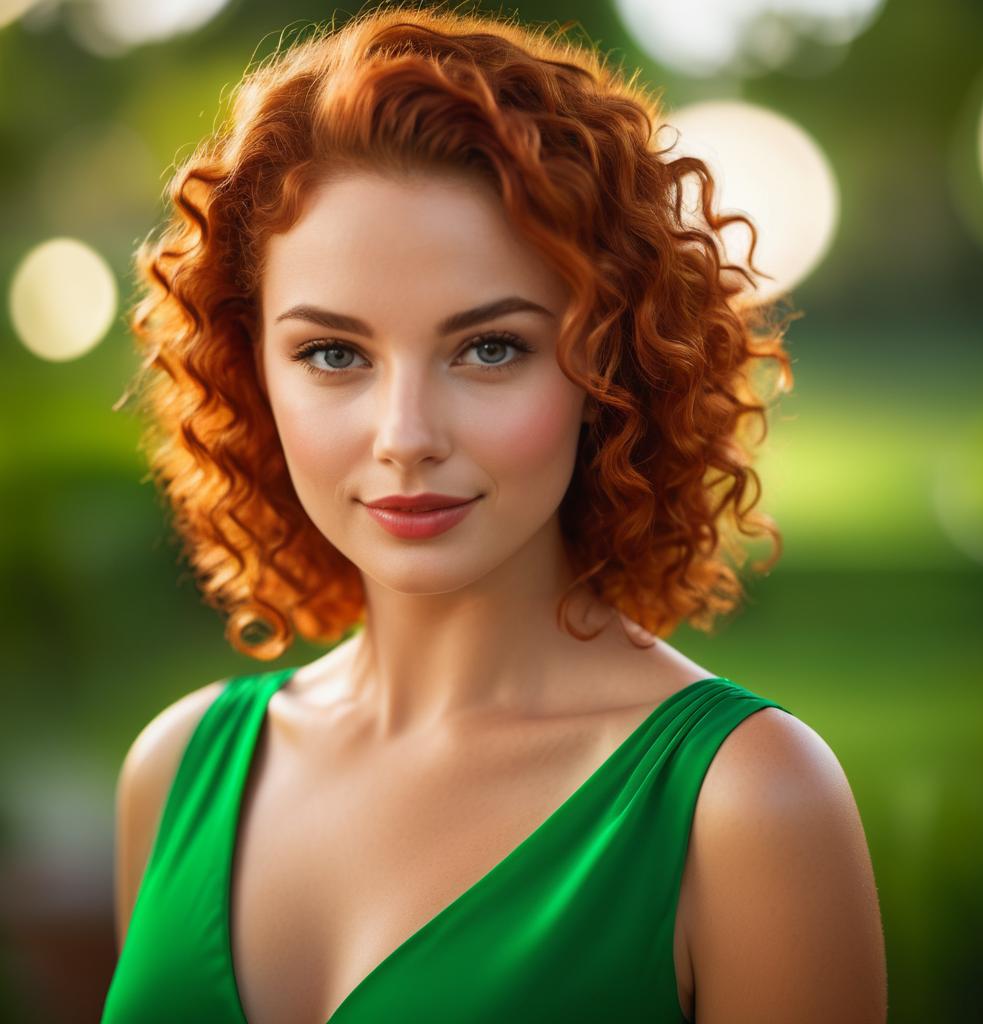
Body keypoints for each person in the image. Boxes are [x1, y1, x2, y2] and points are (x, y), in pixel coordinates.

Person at [100, 4, 887, 1022]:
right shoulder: (175, 772)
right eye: (333, 353)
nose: (405, 433)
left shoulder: (743, 804)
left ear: (611, 362)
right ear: (249, 368)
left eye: (489, 348)